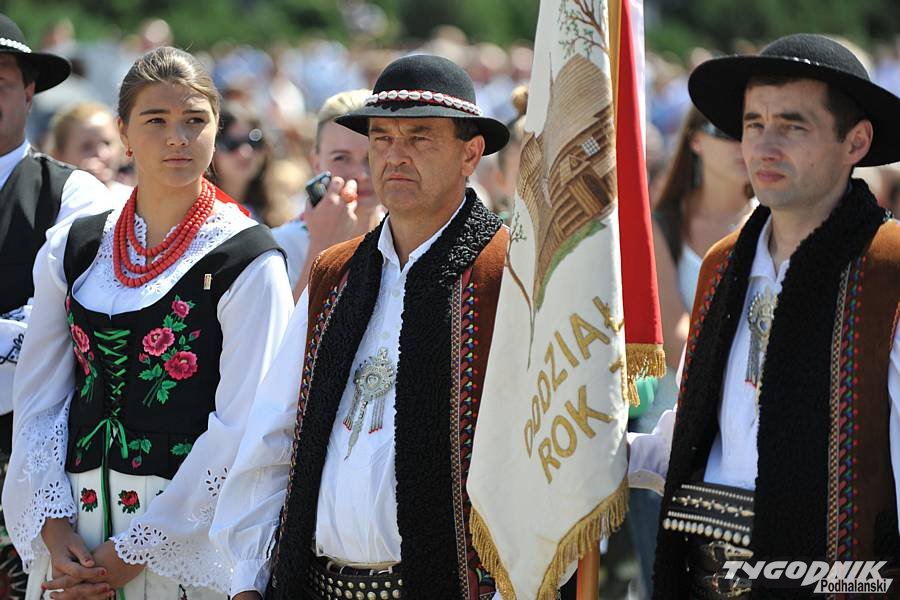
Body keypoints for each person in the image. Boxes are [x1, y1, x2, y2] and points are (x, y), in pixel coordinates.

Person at [210, 54, 511, 600]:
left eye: (420, 138)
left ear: (470, 153)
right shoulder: (336, 273)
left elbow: (532, 460)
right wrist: (249, 578)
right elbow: (276, 431)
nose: (395, 156)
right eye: (382, 138)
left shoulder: (506, 273)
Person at [3, 46, 293, 599]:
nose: (177, 138)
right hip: (74, 534)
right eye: (156, 120)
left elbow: (244, 424)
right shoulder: (76, 246)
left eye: (195, 120)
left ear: (216, 129)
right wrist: (54, 526)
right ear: (125, 133)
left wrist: (137, 548)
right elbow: (38, 398)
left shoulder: (247, 259)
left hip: (183, 542)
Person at [627, 34, 900, 598]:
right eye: (753, 124)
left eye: (793, 126)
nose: (764, 146)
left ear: (855, 141)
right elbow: (696, 438)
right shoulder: (723, 265)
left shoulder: (888, 268)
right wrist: (590, 453)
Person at [0, 14, 115, 599]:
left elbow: (65, 330)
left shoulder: (73, 193)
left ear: (28, 93)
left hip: (29, 458)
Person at [270, 89, 384, 295]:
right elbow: (288, 318)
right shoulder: (280, 247)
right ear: (316, 162)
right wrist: (322, 246)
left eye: (372, 157)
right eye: (341, 158)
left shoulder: (408, 238)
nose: (361, 174)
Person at [48, 101, 132, 200]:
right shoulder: (53, 203)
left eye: (107, 143)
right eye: (86, 147)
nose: (102, 154)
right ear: (59, 157)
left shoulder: (135, 199)